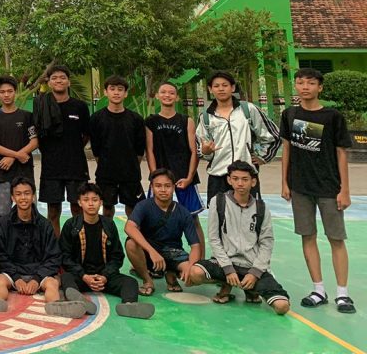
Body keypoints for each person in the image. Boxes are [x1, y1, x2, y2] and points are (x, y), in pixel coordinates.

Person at [280, 67, 354, 314]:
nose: (305, 87)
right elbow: (287, 149)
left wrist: (344, 189)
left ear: (319, 87)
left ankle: (342, 293)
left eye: (310, 83)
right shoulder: (290, 114)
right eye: (300, 82)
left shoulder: (332, 117)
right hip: (300, 187)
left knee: (336, 238)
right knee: (307, 236)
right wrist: (285, 182)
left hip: (329, 188)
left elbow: (341, 153)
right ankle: (318, 289)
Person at [187, 161, 290, 314]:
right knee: (195, 273)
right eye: (235, 179)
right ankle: (228, 284)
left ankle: (250, 288)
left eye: (245, 179)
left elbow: (267, 243)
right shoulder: (219, 202)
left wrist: (255, 273)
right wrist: (228, 269)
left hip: (251, 265)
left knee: (282, 307)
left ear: (253, 182)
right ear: (229, 180)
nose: (240, 183)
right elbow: (214, 239)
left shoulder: (261, 208)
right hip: (225, 263)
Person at [58, 182, 155, 319]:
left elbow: (117, 256)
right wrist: (84, 276)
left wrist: (104, 276)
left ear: (101, 202)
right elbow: (65, 257)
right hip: (81, 276)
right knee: (66, 278)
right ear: (79, 203)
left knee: (130, 282)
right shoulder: (71, 225)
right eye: (86, 200)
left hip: (104, 277)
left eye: (95, 200)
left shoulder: (109, 225)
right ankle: (78, 301)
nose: (91, 204)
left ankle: (128, 305)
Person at [196, 71, 279, 199]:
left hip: (246, 175)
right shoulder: (206, 117)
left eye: (225, 85)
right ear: (210, 89)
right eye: (216, 86)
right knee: (219, 211)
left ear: (233, 87)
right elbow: (201, 146)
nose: (221, 89)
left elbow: (273, 135)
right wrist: (206, 151)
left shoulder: (248, 110)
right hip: (218, 176)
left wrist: (263, 157)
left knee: (249, 210)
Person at [145, 81, 205, 247]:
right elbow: (149, 150)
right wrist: (155, 177)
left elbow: (194, 151)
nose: (167, 95)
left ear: (177, 97)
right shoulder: (151, 121)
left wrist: (189, 177)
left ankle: (200, 259)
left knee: (192, 219)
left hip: (183, 178)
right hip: (160, 178)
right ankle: (156, 256)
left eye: (171, 93)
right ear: (157, 96)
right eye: (163, 92)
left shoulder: (186, 120)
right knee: (154, 219)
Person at [124, 168, 202, 296]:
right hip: (149, 253)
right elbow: (129, 227)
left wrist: (190, 266)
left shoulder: (183, 212)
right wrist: (152, 251)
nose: (163, 190)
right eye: (158, 186)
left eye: (167, 186)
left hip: (173, 253)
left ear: (174, 187)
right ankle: (147, 280)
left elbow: (195, 246)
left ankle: (171, 272)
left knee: (195, 273)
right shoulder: (143, 206)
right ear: (152, 187)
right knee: (131, 244)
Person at [35, 65, 90, 239]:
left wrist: (73, 148)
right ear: (49, 83)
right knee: (53, 211)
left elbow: (86, 135)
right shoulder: (41, 105)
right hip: (51, 167)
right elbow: (38, 135)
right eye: (54, 78)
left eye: (62, 77)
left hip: (76, 165)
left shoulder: (80, 106)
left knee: (77, 208)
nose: (59, 81)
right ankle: (55, 248)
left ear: (69, 82)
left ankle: (77, 246)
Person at [0, 177, 61, 311]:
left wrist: (37, 278)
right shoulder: (4, 223)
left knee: (52, 283)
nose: (23, 198)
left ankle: (56, 307)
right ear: (12, 197)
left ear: (33, 196)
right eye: (18, 194)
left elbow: (54, 257)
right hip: (13, 272)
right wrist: (16, 278)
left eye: (27, 193)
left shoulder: (45, 224)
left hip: (39, 272)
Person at [89, 75, 145, 219]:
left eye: (120, 89)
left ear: (125, 93)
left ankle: (133, 235)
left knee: (133, 211)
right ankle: (108, 234)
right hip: (106, 174)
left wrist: (130, 166)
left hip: (130, 174)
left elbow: (140, 150)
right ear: (105, 92)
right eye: (112, 89)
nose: (116, 92)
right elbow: (96, 149)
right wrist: (105, 165)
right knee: (107, 211)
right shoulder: (96, 118)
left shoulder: (136, 119)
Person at [0, 75, 37, 218]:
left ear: (15, 92)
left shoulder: (27, 116)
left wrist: (13, 157)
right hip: (3, 170)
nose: (6, 95)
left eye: (10, 91)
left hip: (25, 169)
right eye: (2, 92)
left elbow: (34, 142)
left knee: (29, 211)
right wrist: (17, 155)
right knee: (3, 212)